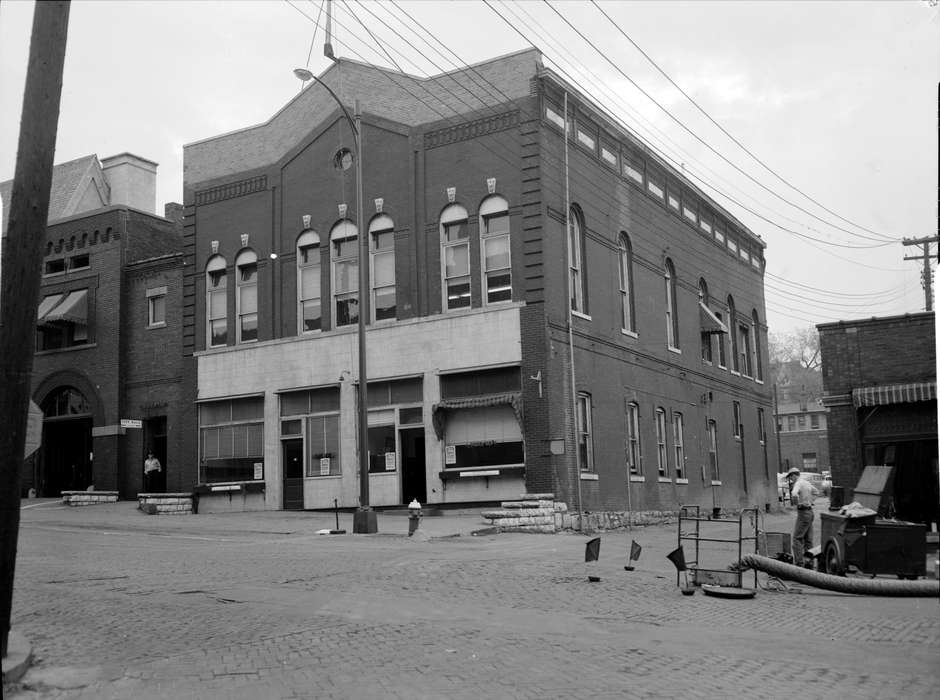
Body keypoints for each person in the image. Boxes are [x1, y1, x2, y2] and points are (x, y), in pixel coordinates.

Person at [787, 466, 819, 568]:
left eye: (790, 476)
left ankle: (799, 564)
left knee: (797, 538)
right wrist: (810, 501)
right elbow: (816, 492)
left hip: (803, 513)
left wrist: (797, 504)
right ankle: (809, 564)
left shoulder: (798, 483)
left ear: (794, 475)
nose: (790, 479)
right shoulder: (806, 483)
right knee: (808, 540)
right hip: (810, 512)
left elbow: (794, 493)